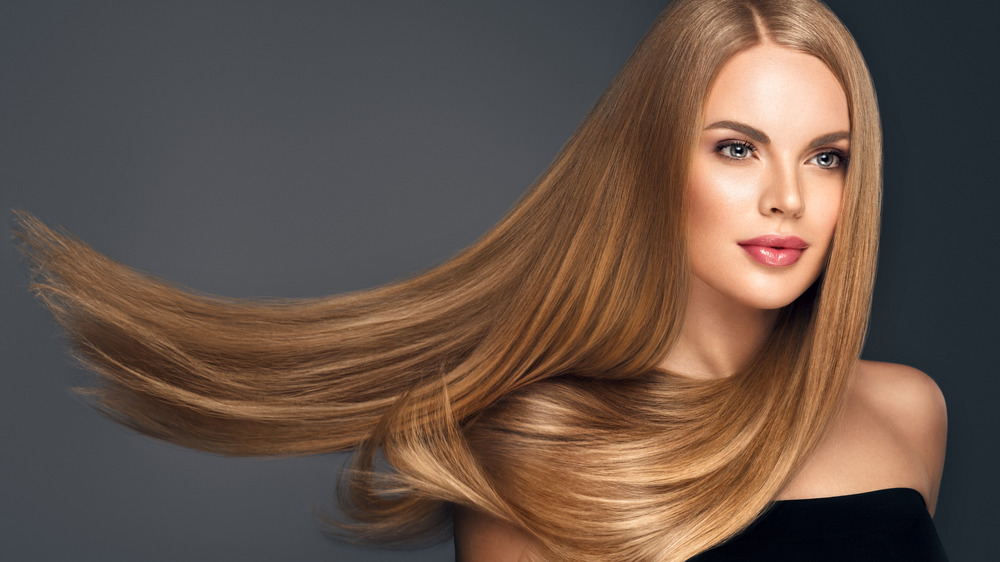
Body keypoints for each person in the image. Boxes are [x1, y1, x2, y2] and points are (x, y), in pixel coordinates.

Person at [15, 0, 946, 560]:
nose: (788, 196)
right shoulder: (529, 451)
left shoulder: (906, 414)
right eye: (738, 149)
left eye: (829, 159)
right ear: (654, 163)